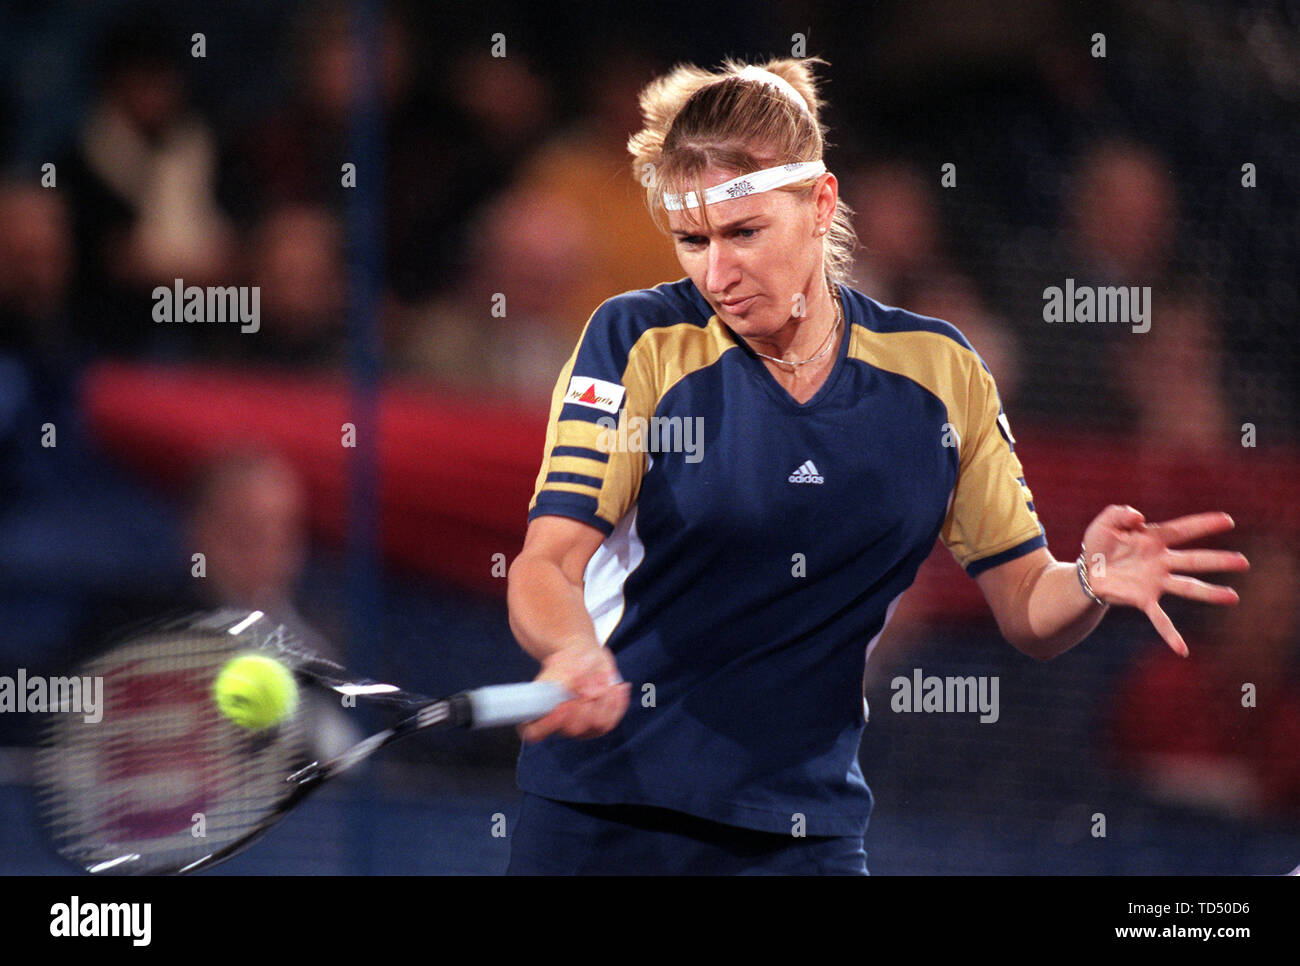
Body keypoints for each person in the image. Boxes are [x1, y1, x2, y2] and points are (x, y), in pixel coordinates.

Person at [504, 57, 1248, 875]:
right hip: (604, 814)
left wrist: (1087, 582)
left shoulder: (940, 373)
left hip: (804, 831)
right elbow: (548, 562)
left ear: (820, 203)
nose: (716, 274)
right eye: (692, 242)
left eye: (744, 233)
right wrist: (573, 651)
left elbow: (1028, 606)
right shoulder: (636, 340)